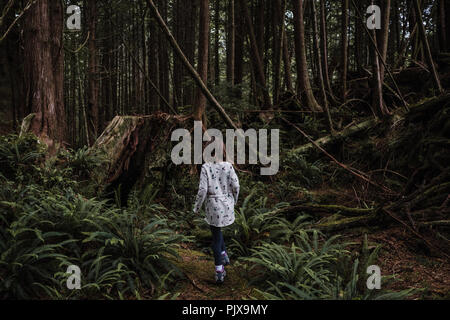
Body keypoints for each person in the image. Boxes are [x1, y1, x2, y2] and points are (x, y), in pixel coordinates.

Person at [193, 160, 240, 284]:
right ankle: (224, 256)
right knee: (217, 231)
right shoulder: (228, 165)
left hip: (213, 206)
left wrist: (197, 207)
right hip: (226, 204)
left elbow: (202, 189)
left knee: (215, 238)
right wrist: (234, 201)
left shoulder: (206, 167)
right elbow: (236, 186)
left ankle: (219, 271)